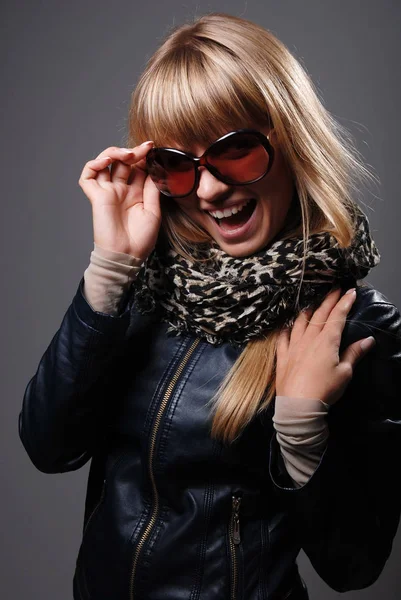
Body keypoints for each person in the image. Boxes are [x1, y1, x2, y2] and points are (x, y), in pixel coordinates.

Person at [19, 12, 401, 600]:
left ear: (291, 139)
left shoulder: (352, 323)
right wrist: (110, 267)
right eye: (176, 164)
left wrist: (301, 424)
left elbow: (353, 566)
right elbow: (48, 446)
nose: (207, 191)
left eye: (235, 152)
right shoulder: (148, 288)